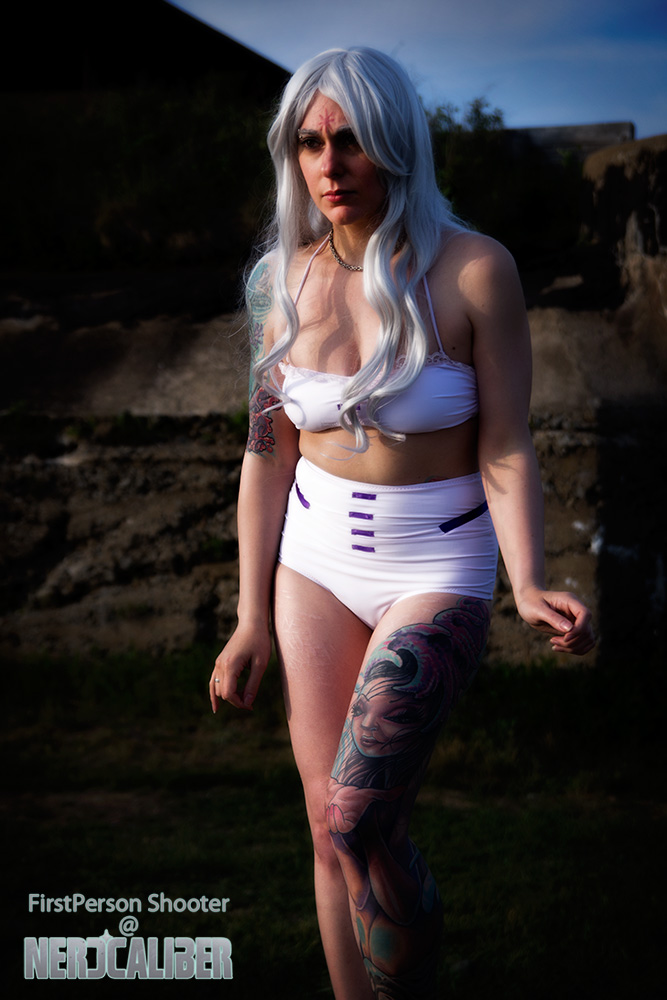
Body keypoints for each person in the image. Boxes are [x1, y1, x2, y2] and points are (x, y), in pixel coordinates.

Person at [209, 46, 595, 1000]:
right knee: (323, 823)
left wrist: (526, 579)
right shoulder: (278, 282)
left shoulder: (475, 271)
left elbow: (505, 443)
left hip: (435, 563)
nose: (329, 165)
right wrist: (250, 617)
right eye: (309, 144)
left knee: (359, 818)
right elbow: (266, 451)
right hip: (311, 562)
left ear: (397, 144)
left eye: (350, 141)